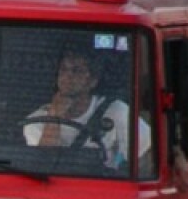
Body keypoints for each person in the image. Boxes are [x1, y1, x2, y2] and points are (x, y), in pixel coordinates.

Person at [22, 46, 151, 170]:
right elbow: (44, 165)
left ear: (92, 81)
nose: (68, 76)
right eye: (63, 70)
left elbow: (145, 156)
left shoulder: (117, 111)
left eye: (77, 71)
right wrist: (54, 116)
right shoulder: (35, 122)